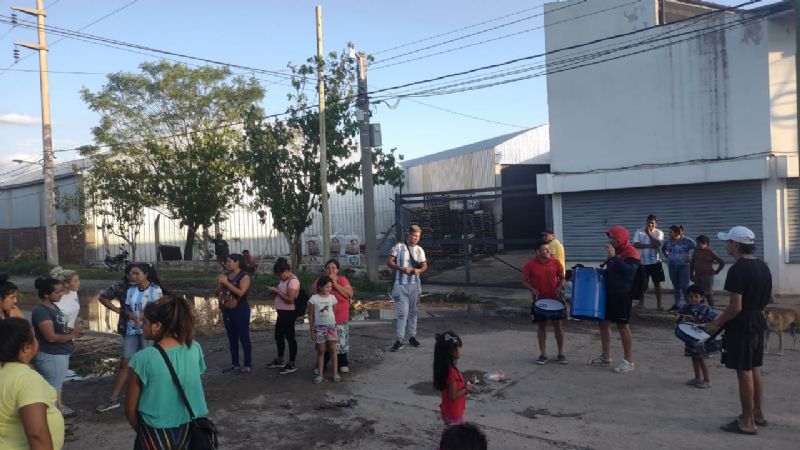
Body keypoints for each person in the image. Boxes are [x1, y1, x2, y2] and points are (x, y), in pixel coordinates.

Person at [706, 226, 771, 435]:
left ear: (736, 244)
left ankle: (747, 422)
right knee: (753, 368)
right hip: (758, 320)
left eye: (728, 242)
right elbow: (769, 298)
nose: (725, 245)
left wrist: (715, 323)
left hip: (743, 325)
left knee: (744, 371)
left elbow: (735, 307)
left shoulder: (737, 270)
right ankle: (758, 414)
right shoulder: (763, 266)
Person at [125, 296, 209, 450]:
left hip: (154, 430)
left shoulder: (142, 358)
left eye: (144, 322)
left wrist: (143, 433)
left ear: (157, 326)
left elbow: (130, 410)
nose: (141, 326)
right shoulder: (194, 348)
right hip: (188, 427)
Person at [0, 317, 65, 450]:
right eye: (34, 337)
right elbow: (37, 434)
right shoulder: (27, 379)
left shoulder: (4, 372)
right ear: (26, 347)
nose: (37, 341)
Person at [31, 277, 84, 418]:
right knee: (52, 387)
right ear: (46, 294)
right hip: (51, 355)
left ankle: (58, 408)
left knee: (57, 384)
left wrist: (73, 331)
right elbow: (51, 337)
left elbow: (59, 330)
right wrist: (72, 335)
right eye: (57, 292)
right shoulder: (41, 311)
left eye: (61, 291)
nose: (61, 294)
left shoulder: (54, 307)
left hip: (59, 354)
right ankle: (51, 417)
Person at [590, 225, 640, 374]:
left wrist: (613, 258)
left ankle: (629, 361)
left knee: (622, 326)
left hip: (622, 294)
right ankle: (606, 356)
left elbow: (628, 273)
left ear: (622, 238)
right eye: (610, 238)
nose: (611, 241)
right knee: (603, 323)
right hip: (609, 293)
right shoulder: (616, 252)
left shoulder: (632, 253)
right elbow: (612, 271)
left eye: (614, 238)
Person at [96, 265, 137, 413]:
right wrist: (117, 310)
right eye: (131, 273)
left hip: (148, 330)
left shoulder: (150, 287)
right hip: (129, 328)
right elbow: (102, 297)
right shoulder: (121, 286)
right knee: (125, 362)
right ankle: (114, 398)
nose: (134, 276)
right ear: (126, 275)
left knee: (147, 361)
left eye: (137, 273)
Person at [521, 240, 566, 365]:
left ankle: (561, 353)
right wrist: (532, 289)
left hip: (555, 299)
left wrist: (559, 287)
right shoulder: (530, 264)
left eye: (548, 249)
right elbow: (524, 281)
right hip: (539, 300)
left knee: (558, 326)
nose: (548, 252)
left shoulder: (555, 262)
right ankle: (543, 354)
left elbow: (562, 278)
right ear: (537, 251)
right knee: (541, 327)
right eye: (545, 250)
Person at [388, 225, 428, 352]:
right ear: (408, 234)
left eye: (418, 236)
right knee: (402, 313)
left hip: (415, 284)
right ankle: (399, 339)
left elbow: (424, 266)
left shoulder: (419, 250)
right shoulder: (398, 247)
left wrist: (418, 270)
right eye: (413, 235)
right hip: (401, 284)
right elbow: (389, 262)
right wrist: (401, 269)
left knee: (413, 312)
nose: (415, 238)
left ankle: (412, 336)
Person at [311, 258, 354, 374]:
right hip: (324, 320)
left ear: (338, 270)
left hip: (340, 319)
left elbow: (349, 294)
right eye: (328, 268)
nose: (331, 270)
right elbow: (312, 296)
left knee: (341, 342)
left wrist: (335, 284)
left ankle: (342, 363)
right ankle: (321, 366)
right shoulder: (320, 281)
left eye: (333, 268)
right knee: (324, 345)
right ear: (325, 270)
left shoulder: (342, 280)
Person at [217, 254, 253, 374]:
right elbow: (219, 292)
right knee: (231, 337)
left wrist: (226, 283)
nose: (227, 264)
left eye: (229, 261)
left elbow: (241, 292)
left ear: (237, 262)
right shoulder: (226, 276)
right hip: (227, 309)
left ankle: (247, 364)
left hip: (240, 309)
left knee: (243, 337)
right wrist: (221, 285)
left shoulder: (244, 276)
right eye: (227, 262)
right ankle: (235, 364)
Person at [677, 284, 717, 389]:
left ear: (702, 297)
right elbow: (678, 314)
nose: (693, 299)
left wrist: (708, 327)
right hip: (690, 338)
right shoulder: (686, 307)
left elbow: (715, 317)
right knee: (694, 358)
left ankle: (707, 380)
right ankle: (697, 378)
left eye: (696, 296)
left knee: (701, 358)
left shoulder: (706, 309)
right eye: (691, 296)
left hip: (701, 339)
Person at [433, 330, 475, 427]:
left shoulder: (446, 368)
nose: (460, 350)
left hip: (449, 411)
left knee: (453, 436)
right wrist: (467, 389)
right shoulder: (452, 372)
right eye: (459, 347)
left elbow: (453, 387)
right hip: (453, 414)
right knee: (454, 438)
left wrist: (466, 384)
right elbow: (453, 395)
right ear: (451, 351)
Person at [266, 257, 299, 375]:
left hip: (288, 312)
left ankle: (292, 362)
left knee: (290, 337)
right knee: (278, 336)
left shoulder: (293, 281)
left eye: (280, 275)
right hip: (281, 312)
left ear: (285, 272)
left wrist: (277, 292)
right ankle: (280, 359)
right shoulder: (284, 280)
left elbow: (290, 300)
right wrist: (274, 291)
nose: (279, 277)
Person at [308, 275, 340, 383]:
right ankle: (320, 375)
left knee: (332, 349)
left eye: (330, 287)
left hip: (331, 326)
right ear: (320, 287)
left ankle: (335, 374)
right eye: (326, 287)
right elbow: (311, 315)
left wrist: (332, 324)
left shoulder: (332, 298)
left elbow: (334, 312)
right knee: (321, 350)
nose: (329, 289)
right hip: (319, 327)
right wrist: (312, 330)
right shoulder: (313, 299)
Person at [632, 215, 665, 310]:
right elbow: (635, 244)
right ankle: (641, 304)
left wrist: (649, 234)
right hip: (642, 262)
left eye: (652, 223)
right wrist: (650, 245)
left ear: (656, 224)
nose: (650, 224)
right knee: (642, 284)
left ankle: (659, 304)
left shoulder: (659, 232)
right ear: (646, 222)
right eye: (649, 222)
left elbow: (657, 245)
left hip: (655, 262)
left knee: (657, 283)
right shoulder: (639, 231)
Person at [662, 225, 697, 312]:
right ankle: (677, 305)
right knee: (676, 286)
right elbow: (663, 249)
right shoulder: (668, 241)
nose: (669, 234)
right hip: (672, 266)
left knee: (684, 286)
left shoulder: (687, 241)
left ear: (677, 232)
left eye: (671, 232)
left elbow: (698, 248)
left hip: (683, 266)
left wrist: (692, 258)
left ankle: (689, 305)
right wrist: (668, 257)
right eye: (669, 232)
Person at [690, 235, 725, 307]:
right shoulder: (696, 252)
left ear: (705, 243)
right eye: (697, 243)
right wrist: (691, 275)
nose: (697, 245)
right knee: (698, 294)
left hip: (707, 276)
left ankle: (712, 309)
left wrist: (717, 271)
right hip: (697, 276)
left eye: (699, 243)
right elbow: (692, 264)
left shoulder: (710, 252)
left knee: (708, 294)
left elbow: (722, 262)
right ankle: (699, 309)